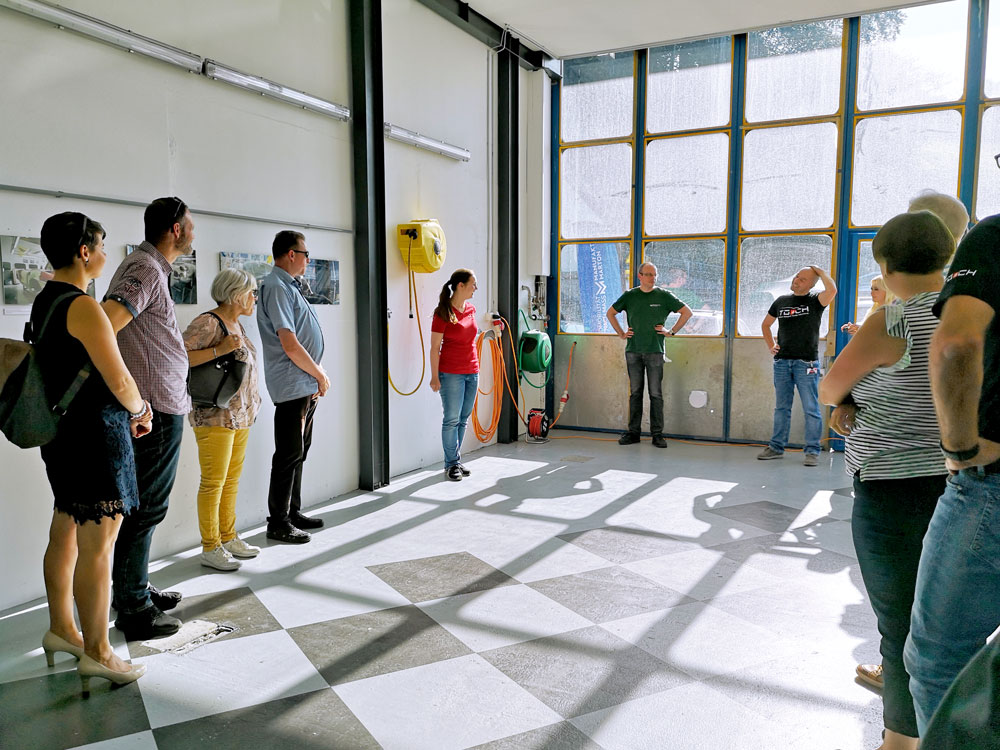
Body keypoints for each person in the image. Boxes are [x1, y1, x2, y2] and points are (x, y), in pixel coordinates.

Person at [819, 211, 955, 750]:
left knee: (901, 624)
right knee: (948, 620)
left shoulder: (892, 320)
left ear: (885, 264)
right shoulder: (972, 312)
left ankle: (899, 742)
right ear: (946, 257)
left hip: (891, 487)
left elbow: (830, 388)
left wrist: (847, 400)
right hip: (962, 484)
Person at [853, 191, 968, 690]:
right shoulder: (965, 296)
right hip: (960, 472)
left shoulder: (905, 309)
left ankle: (904, 705)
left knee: (903, 603)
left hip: (902, 473)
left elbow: (842, 382)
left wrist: (847, 398)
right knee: (946, 598)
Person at [33, 212, 150, 693]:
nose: (104, 254)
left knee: (65, 528)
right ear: (84, 252)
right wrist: (141, 409)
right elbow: (118, 377)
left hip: (61, 434)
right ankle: (99, 652)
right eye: (101, 246)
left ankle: (63, 628)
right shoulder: (83, 306)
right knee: (98, 547)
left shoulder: (45, 300)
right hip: (95, 435)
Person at [903, 206, 1000, 735]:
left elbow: (957, 344)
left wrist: (960, 450)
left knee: (939, 657)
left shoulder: (993, 236)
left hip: (991, 490)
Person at [102, 197, 194, 641]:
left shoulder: (152, 267)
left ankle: (133, 587)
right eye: (190, 224)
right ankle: (134, 608)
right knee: (146, 508)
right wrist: (135, 400)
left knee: (143, 507)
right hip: (152, 409)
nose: (192, 231)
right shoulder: (145, 268)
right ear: (176, 229)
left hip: (159, 404)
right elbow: (106, 323)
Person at [183, 269, 262, 571]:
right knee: (213, 482)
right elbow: (180, 357)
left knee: (230, 481)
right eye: (251, 292)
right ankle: (210, 546)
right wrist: (219, 350)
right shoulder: (208, 322)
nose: (254, 298)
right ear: (236, 294)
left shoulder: (236, 323)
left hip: (239, 415)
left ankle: (228, 537)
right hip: (214, 415)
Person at [257, 230, 327, 544]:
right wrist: (319, 374)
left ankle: (292, 512)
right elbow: (289, 343)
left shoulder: (289, 286)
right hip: (292, 383)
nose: (308, 260)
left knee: (299, 451)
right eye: (305, 254)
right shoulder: (276, 286)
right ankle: (278, 522)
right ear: (290, 254)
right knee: (288, 454)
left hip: (303, 382)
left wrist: (316, 375)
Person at [606, 263, 692, 448]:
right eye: (648, 274)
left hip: (655, 352)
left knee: (655, 394)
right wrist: (621, 333)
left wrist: (671, 332)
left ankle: (657, 435)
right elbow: (611, 313)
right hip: (633, 351)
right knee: (635, 393)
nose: (652, 278)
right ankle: (633, 433)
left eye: (654, 275)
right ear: (640, 276)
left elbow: (687, 312)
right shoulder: (630, 296)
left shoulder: (664, 295)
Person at [757, 265, 837, 466]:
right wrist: (771, 345)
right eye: (797, 277)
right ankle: (776, 447)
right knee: (782, 407)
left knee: (811, 408)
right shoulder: (781, 301)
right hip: (782, 362)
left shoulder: (816, 300)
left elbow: (832, 290)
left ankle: (812, 451)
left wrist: (821, 272)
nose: (796, 281)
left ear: (811, 284)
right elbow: (766, 324)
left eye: (802, 279)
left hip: (806, 363)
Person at [429, 269, 480, 481]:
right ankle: (451, 464)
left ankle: (455, 461)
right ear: (461, 285)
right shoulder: (442, 313)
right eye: (473, 284)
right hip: (451, 373)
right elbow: (434, 348)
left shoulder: (471, 309)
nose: (475, 288)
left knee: (463, 418)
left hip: (472, 371)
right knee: (451, 419)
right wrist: (434, 377)